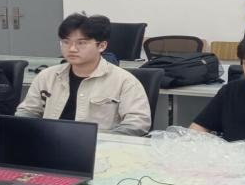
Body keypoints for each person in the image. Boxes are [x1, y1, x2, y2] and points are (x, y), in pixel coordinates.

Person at [15, 13, 151, 136]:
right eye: (66, 42)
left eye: (81, 43)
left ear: (102, 46)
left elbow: (137, 123)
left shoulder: (124, 81)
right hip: (51, 144)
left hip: (101, 150)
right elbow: (28, 111)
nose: (72, 49)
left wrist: (104, 142)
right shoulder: (47, 76)